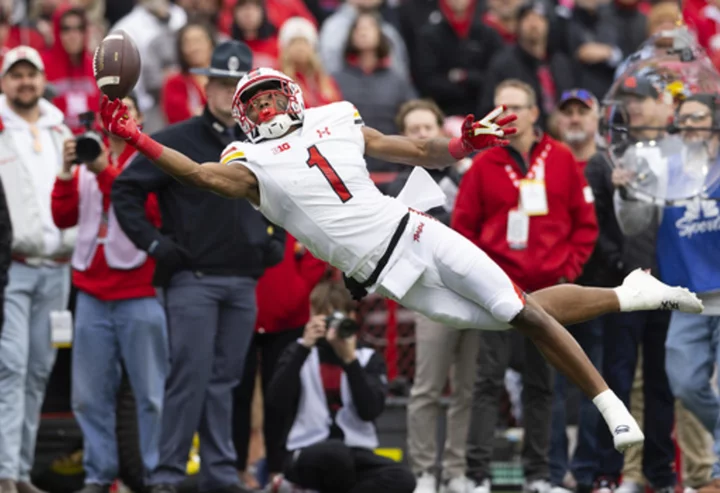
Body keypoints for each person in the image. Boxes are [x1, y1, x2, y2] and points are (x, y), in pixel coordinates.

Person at [99, 66, 706, 466]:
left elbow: (418, 150)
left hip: (415, 231)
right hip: (389, 280)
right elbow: (202, 176)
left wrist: (465, 144)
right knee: (515, 315)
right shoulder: (245, 160)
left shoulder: (336, 117)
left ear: (292, 94)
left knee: (516, 309)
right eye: (253, 100)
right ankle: (631, 293)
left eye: (271, 93)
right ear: (244, 116)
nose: (266, 104)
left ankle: (609, 406)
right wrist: (142, 141)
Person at [111, 42, 283, 493]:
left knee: (227, 380)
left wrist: (276, 239)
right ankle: (166, 475)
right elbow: (126, 188)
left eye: (237, 85)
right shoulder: (177, 138)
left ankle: (220, 471)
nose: (228, 93)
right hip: (194, 278)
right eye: (221, 84)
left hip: (243, 279)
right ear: (205, 86)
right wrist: (156, 245)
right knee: (189, 377)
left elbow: (287, 194)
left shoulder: (262, 141)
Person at [456, 80, 598, 493]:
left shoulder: (562, 160)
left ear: (536, 113)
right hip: (496, 289)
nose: (510, 117)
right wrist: (480, 277)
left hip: (548, 291)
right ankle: (476, 475)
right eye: (501, 109)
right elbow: (463, 228)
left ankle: (539, 475)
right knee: (487, 381)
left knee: (543, 383)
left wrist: (566, 272)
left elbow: (584, 226)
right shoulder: (484, 162)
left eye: (517, 107)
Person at [51, 94, 169, 493]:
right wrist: (67, 172)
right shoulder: (89, 156)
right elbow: (62, 216)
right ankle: (99, 474)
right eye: (112, 113)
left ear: (139, 120)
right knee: (88, 397)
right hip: (91, 293)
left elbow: (150, 212)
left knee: (150, 394)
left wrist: (103, 171)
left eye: (127, 111)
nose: (118, 118)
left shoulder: (152, 162)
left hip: (139, 291)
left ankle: (156, 475)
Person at [0, 46, 76, 493]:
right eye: (16, 75)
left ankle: (21, 471)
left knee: (38, 371)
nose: (25, 82)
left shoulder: (59, 129)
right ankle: (6, 473)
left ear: (43, 78)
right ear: (5, 82)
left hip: (58, 268)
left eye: (32, 75)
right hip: (16, 268)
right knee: (11, 366)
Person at [264, 281, 416, 493]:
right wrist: (303, 348)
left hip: (357, 452)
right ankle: (297, 483)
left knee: (402, 478)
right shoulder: (299, 353)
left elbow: (370, 411)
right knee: (335, 454)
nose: (330, 327)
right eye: (324, 318)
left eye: (336, 319)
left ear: (351, 318)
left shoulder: (366, 358)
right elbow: (276, 402)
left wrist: (350, 360)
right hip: (306, 451)